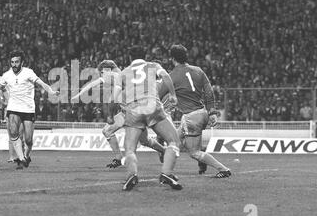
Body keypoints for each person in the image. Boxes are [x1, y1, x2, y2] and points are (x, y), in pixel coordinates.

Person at [71, 60, 166, 168]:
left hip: (131, 113)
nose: (101, 76)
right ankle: (164, 150)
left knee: (108, 131)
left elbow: (95, 85)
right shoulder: (123, 75)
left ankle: (119, 158)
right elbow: (94, 84)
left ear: (107, 70)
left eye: (102, 73)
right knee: (144, 140)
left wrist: (78, 96)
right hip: (133, 111)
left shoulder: (115, 75)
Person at [112, 46, 183, 191]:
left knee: (130, 149)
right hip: (152, 106)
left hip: (133, 110)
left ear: (129, 58)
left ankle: (132, 174)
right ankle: (167, 173)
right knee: (174, 141)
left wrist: (118, 110)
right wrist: (173, 95)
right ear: (145, 56)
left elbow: (115, 96)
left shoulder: (123, 73)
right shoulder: (153, 65)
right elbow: (166, 77)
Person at [0, 50, 59, 170]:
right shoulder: (6, 75)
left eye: (16, 62)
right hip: (13, 108)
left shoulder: (29, 72)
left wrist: (51, 91)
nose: (14, 64)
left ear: (22, 62)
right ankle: (21, 158)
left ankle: (26, 155)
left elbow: (41, 83)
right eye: (12, 62)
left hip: (28, 109)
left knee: (28, 140)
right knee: (14, 133)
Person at [169, 44, 231, 178]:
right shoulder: (198, 70)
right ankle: (168, 172)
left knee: (194, 152)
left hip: (191, 117)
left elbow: (159, 94)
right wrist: (212, 112)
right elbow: (208, 92)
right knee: (174, 142)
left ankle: (223, 169)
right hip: (202, 113)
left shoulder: (172, 76)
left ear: (172, 58)